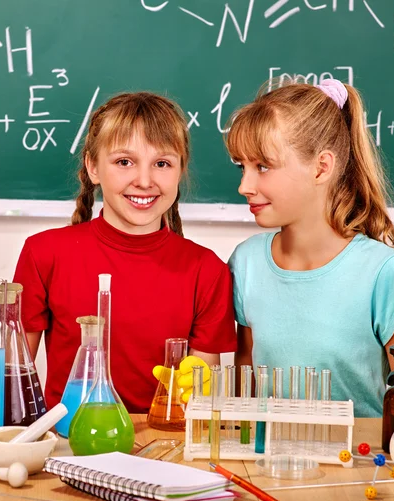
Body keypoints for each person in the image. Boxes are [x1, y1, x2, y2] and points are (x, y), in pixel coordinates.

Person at [13, 91, 237, 413]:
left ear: (180, 170)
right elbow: (14, 383)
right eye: (124, 162)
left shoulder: (207, 271)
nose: (144, 180)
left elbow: (199, 402)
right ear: (93, 167)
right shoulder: (43, 253)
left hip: (161, 441)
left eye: (161, 163)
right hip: (69, 443)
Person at [226, 79, 394, 417]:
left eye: (262, 166)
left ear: (321, 167)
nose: (244, 185)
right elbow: (246, 382)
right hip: (269, 464)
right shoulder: (245, 264)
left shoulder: (382, 273)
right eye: (241, 167)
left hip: (360, 464)